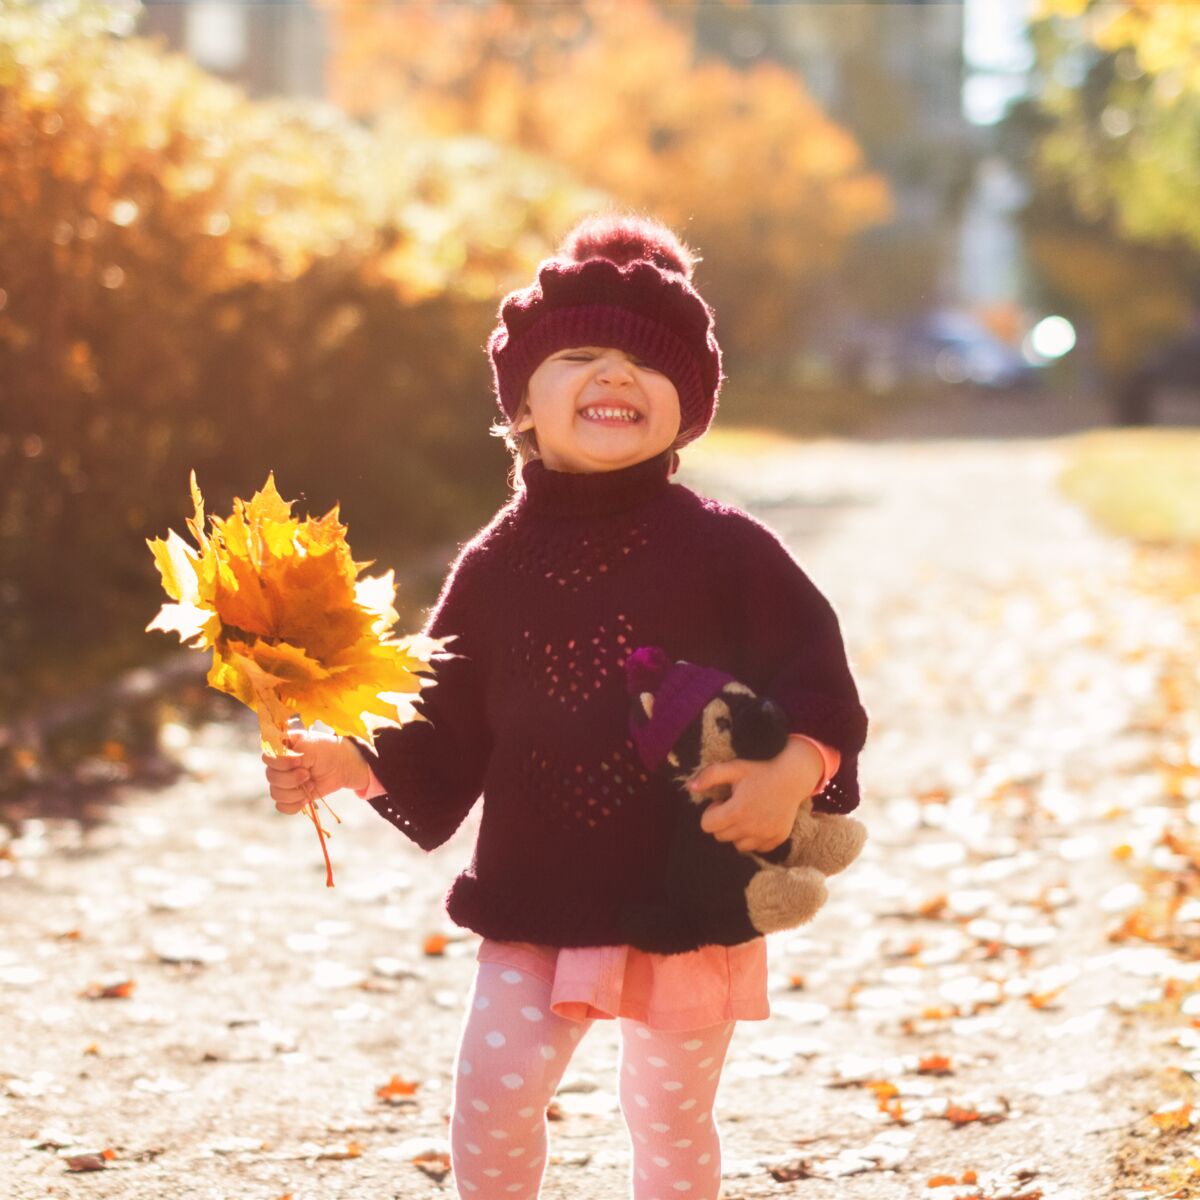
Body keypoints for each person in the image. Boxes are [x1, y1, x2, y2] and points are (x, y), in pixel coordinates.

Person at [263, 211, 869, 1200]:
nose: (615, 375)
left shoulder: (728, 550)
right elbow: (440, 724)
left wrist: (792, 771)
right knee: (492, 1097)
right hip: (538, 892)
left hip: (686, 891)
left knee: (668, 1114)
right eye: (582, 355)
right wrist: (343, 758)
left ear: (691, 407)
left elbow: (817, 675)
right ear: (524, 408)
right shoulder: (496, 567)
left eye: (646, 363)